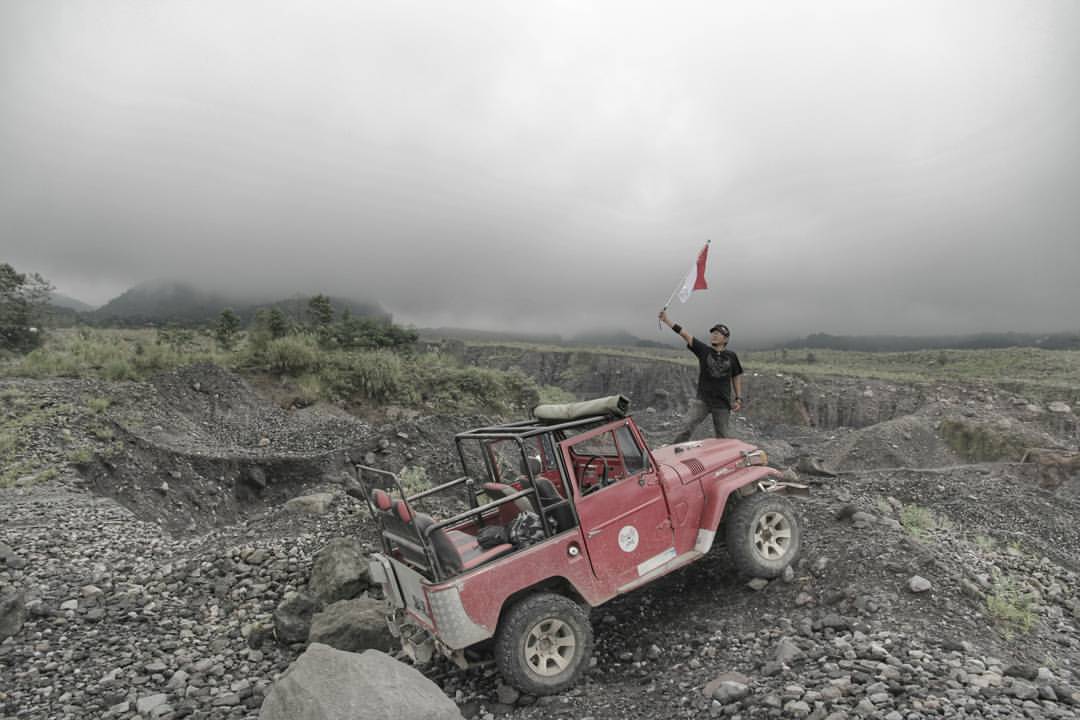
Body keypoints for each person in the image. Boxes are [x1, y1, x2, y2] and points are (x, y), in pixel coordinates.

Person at [658, 309, 743, 441]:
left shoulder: (732, 356)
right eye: (713, 333)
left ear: (725, 338)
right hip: (703, 400)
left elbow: (736, 376)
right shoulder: (704, 350)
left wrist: (738, 398)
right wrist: (667, 320)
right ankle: (674, 451)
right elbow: (685, 334)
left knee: (723, 437)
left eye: (718, 333)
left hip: (722, 403)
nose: (714, 335)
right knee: (686, 428)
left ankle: (721, 459)